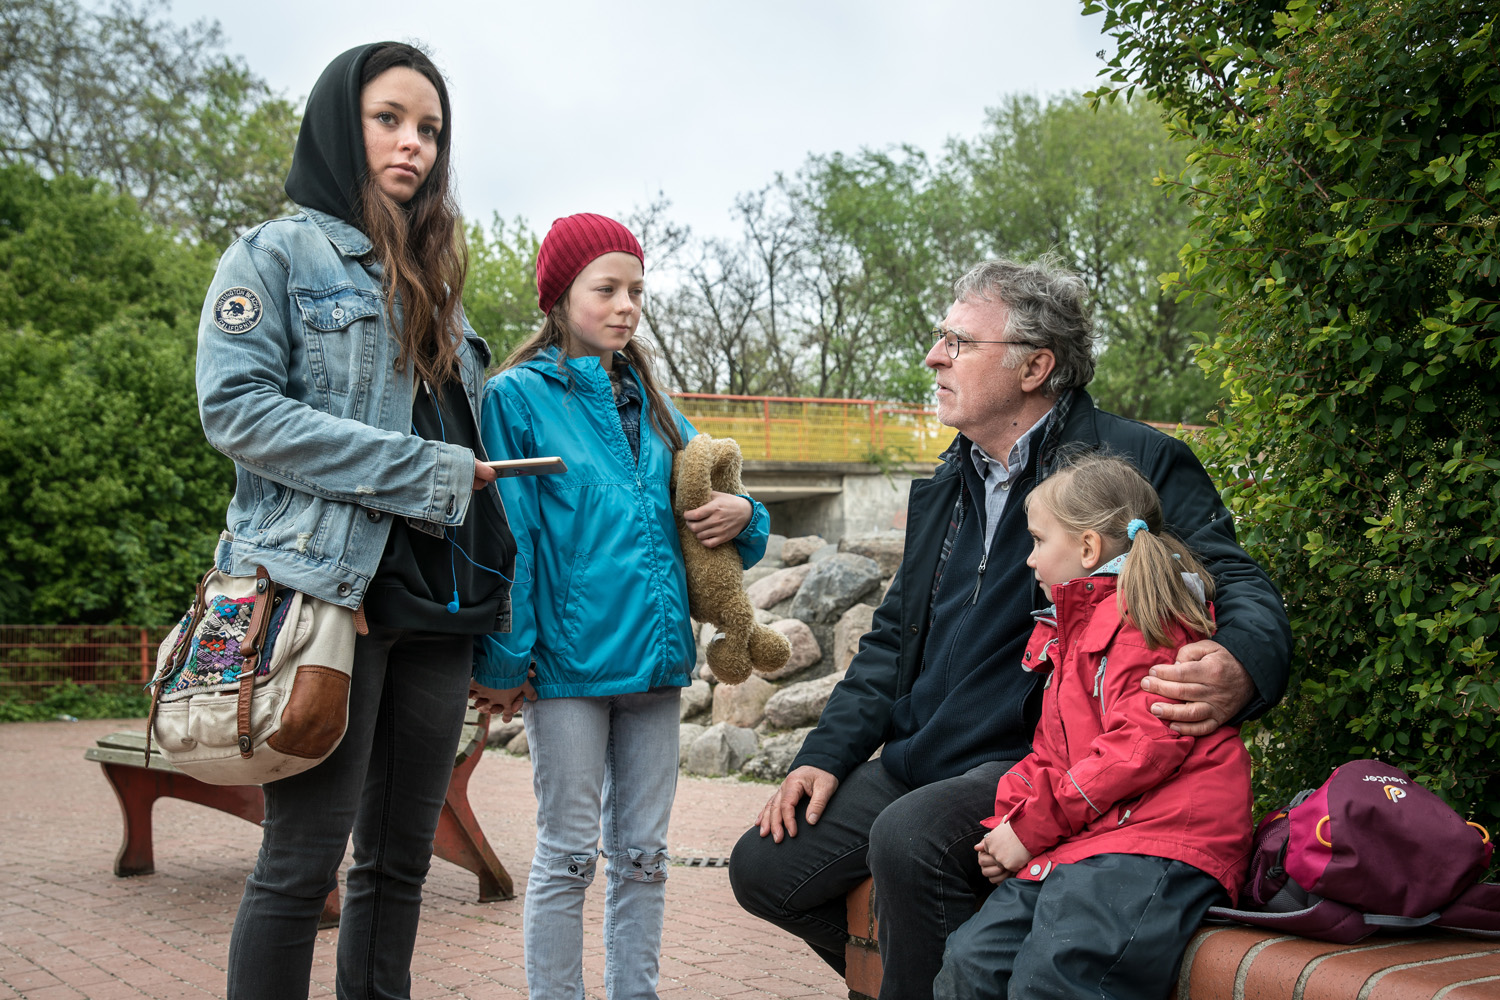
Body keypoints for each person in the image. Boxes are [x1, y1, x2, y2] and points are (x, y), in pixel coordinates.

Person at [729, 255, 1291, 999]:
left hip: (1031, 759)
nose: (933, 357)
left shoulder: (1133, 465)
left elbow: (1236, 578)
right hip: (923, 752)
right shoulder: (945, 485)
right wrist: (826, 755)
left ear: (1035, 367)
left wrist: (1242, 663)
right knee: (764, 867)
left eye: (958, 342)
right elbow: (894, 638)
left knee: (910, 840)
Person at [195, 42, 524, 999]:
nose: (412, 144)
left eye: (430, 129)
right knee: (301, 869)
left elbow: (458, 438)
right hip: (325, 597)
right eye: (390, 119)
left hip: (434, 613)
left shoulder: (439, 283)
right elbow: (240, 414)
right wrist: (418, 471)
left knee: (400, 865)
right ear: (344, 123)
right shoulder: (273, 256)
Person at [473, 213, 772, 1000]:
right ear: (559, 295)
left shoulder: (657, 404)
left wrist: (751, 518)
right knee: (568, 854)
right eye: (606, 289)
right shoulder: (515, 399)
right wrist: (506, 662)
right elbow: (515, 539)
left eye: (636, 290)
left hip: (656, 665)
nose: (626, 305)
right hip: (566, 670)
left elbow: (719, 494)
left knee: (644, 855)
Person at [931, 454, 1253, 1000]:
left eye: (1037, 541)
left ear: (1086, 548)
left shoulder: (1145, 622)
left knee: (1056, 979)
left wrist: (1031, 830)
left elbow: (1140, 748)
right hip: (1093, 837)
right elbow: (1055, 753)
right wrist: (1011, 821)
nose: (1029, 560)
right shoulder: (1071, 633)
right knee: (970, 963)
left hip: (1159, 840)